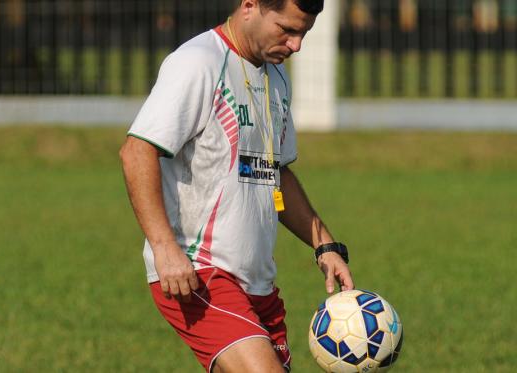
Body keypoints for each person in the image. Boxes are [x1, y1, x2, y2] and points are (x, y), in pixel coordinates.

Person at [119, 1, 354, 372]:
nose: (296, 46)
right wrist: (165, 249)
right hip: (199, 273)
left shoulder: (275, 77)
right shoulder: (198, 63)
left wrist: (325, 245)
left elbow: (275, 172)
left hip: (258, 283)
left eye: (304, 33)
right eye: (286, 30)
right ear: (249, 7)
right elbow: (136, 152)